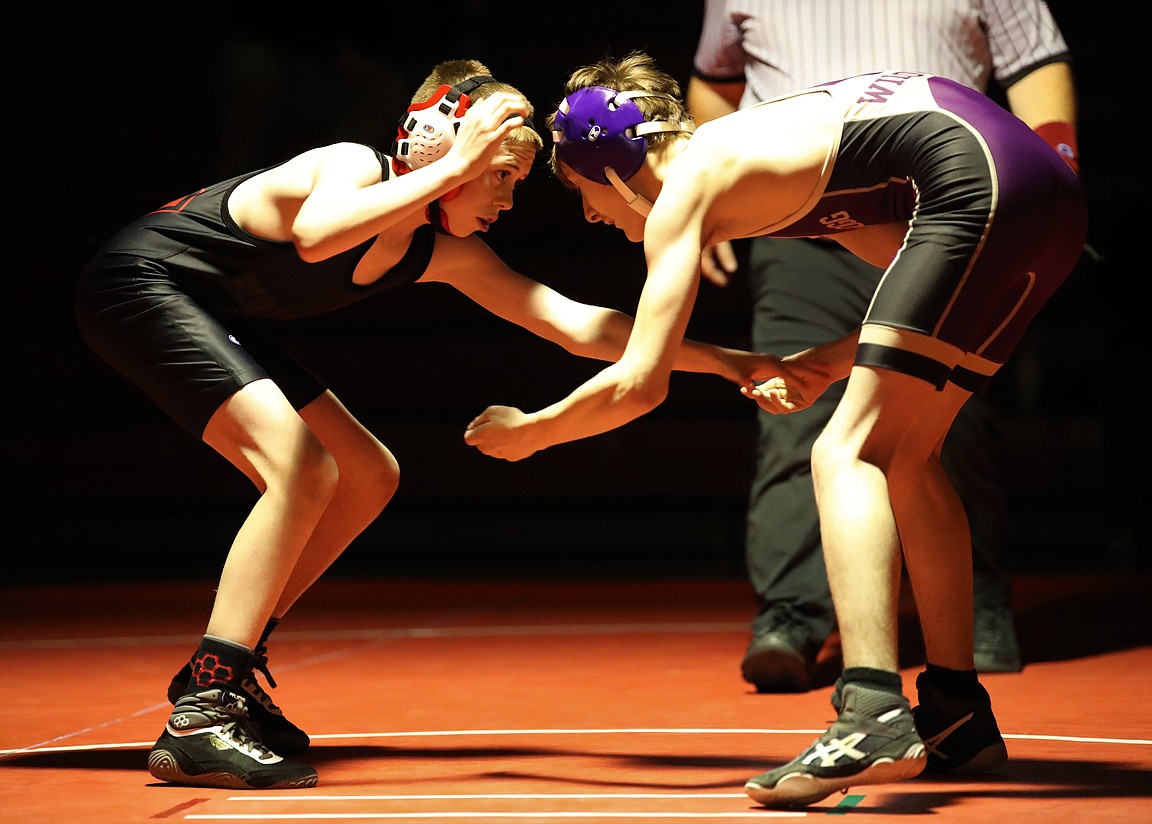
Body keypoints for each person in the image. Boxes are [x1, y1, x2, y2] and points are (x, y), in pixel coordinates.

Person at [75, 58, 783, 791]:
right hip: (141, 286)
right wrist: (455, 170)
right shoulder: (350, 166)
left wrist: (737, 363)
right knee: (301, 467)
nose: (508, 198)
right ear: (445, 146)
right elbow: (318, 237)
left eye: (511, 179)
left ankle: (229, 664)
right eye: (499, 172)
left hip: (213, 313)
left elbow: (577, 326)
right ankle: (204, 709)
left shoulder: (440, 250)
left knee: (369, 475)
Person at [464, 53, 1086, 806]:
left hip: (976, 177)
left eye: (583, 191)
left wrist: (537, 431)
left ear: (617, 164)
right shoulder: (781, 161)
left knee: (846, 449)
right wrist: (823, 362)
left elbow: (638, 383)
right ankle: (956, 714)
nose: (592, 216)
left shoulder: (692, 181)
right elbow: (913, 287)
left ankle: (873, 712)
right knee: (908, 454)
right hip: (1041, 196)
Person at [687, 0, 1082, 690]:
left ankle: (946, 635)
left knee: (929, 427)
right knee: (799, 413)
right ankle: (795, 615)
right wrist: (718, 205)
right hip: (803, 216)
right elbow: (712, 83)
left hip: (941, 202)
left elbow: (1037, 65)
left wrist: (1059, 167)